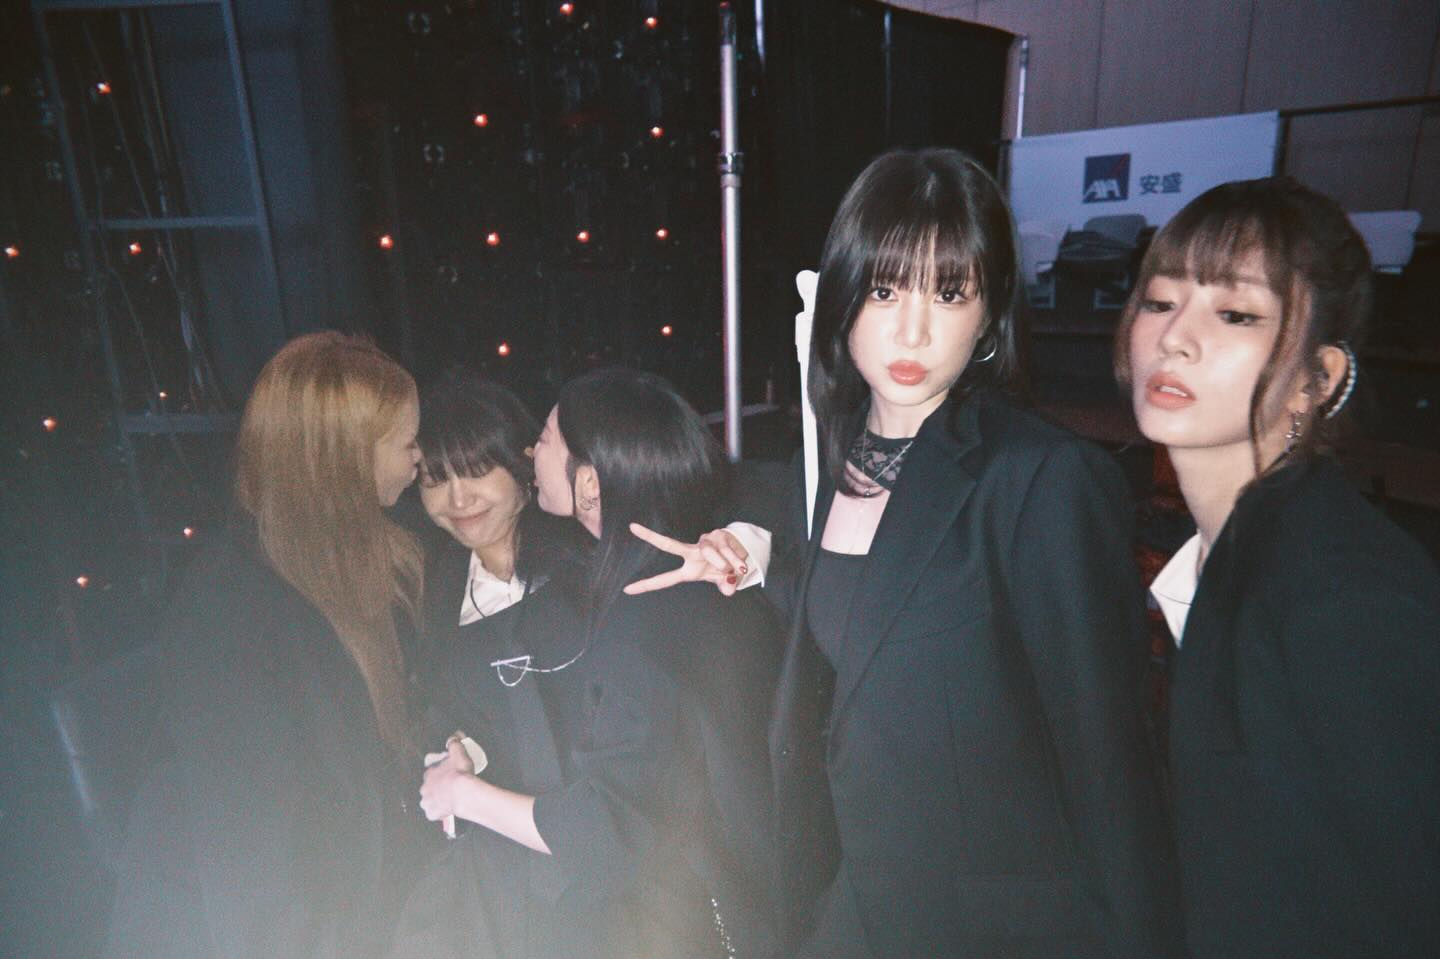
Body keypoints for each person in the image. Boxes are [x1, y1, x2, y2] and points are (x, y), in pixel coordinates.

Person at [763, 148, 1180, 958]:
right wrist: (762, 569)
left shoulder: (1041, 477)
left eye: (949, 293)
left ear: (988, 316)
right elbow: (871, 627)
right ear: (843, 295)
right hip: (850, 901)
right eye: (885, 289)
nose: (912, 329)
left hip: (988, 928)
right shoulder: (828, 460)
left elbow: (1110, 766)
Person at [1117, 176, 1440, 958]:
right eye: (1160, 300)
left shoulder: (1342, 595)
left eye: (1236, 313)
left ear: (1316, 379)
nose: (1175, 337)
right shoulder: (1237, 549)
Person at [412, 368, 783, 959]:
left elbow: (753, 491)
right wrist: (457, 748)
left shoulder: (622, 575)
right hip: (528, 891)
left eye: (477, 469)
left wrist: (742, 545)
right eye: (435, 479)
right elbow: (433, 711)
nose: (459, 498)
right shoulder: (427, 592)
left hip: (646, 898)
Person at [102, 331, 435, 958]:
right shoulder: (228, 619)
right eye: (407, 443)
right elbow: (256, 874)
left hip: (345, 889)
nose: (420, 459)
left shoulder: (362, 553)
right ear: (344, 460)